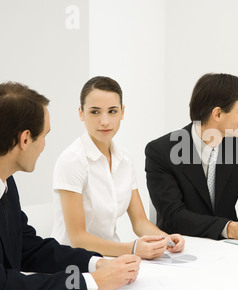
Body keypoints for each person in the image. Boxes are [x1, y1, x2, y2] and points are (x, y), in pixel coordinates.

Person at [0, 81, 140, 290]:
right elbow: (4, 287)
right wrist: (91, 282)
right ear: (25, 138)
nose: (45, 145)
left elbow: (29, 248)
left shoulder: (7, 184)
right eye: (45, 135)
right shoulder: (72, 160)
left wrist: (96, 264)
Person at [51, 76, 184, 259]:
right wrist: (131, 249)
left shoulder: (125, 159)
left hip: (111, 258)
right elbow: (78, 239)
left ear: (122, 112)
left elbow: (139, 222)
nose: (105, 121)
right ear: (81, 113)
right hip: (73, 261)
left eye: (112, 111)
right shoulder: (72, 160)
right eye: (95, 112)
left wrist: (166, 239)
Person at [145, 73, 238, 241]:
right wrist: (229, 229)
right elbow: (174, 216)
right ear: (218, 114)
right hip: (183, 249)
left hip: (230, 250)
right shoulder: (161, 151)